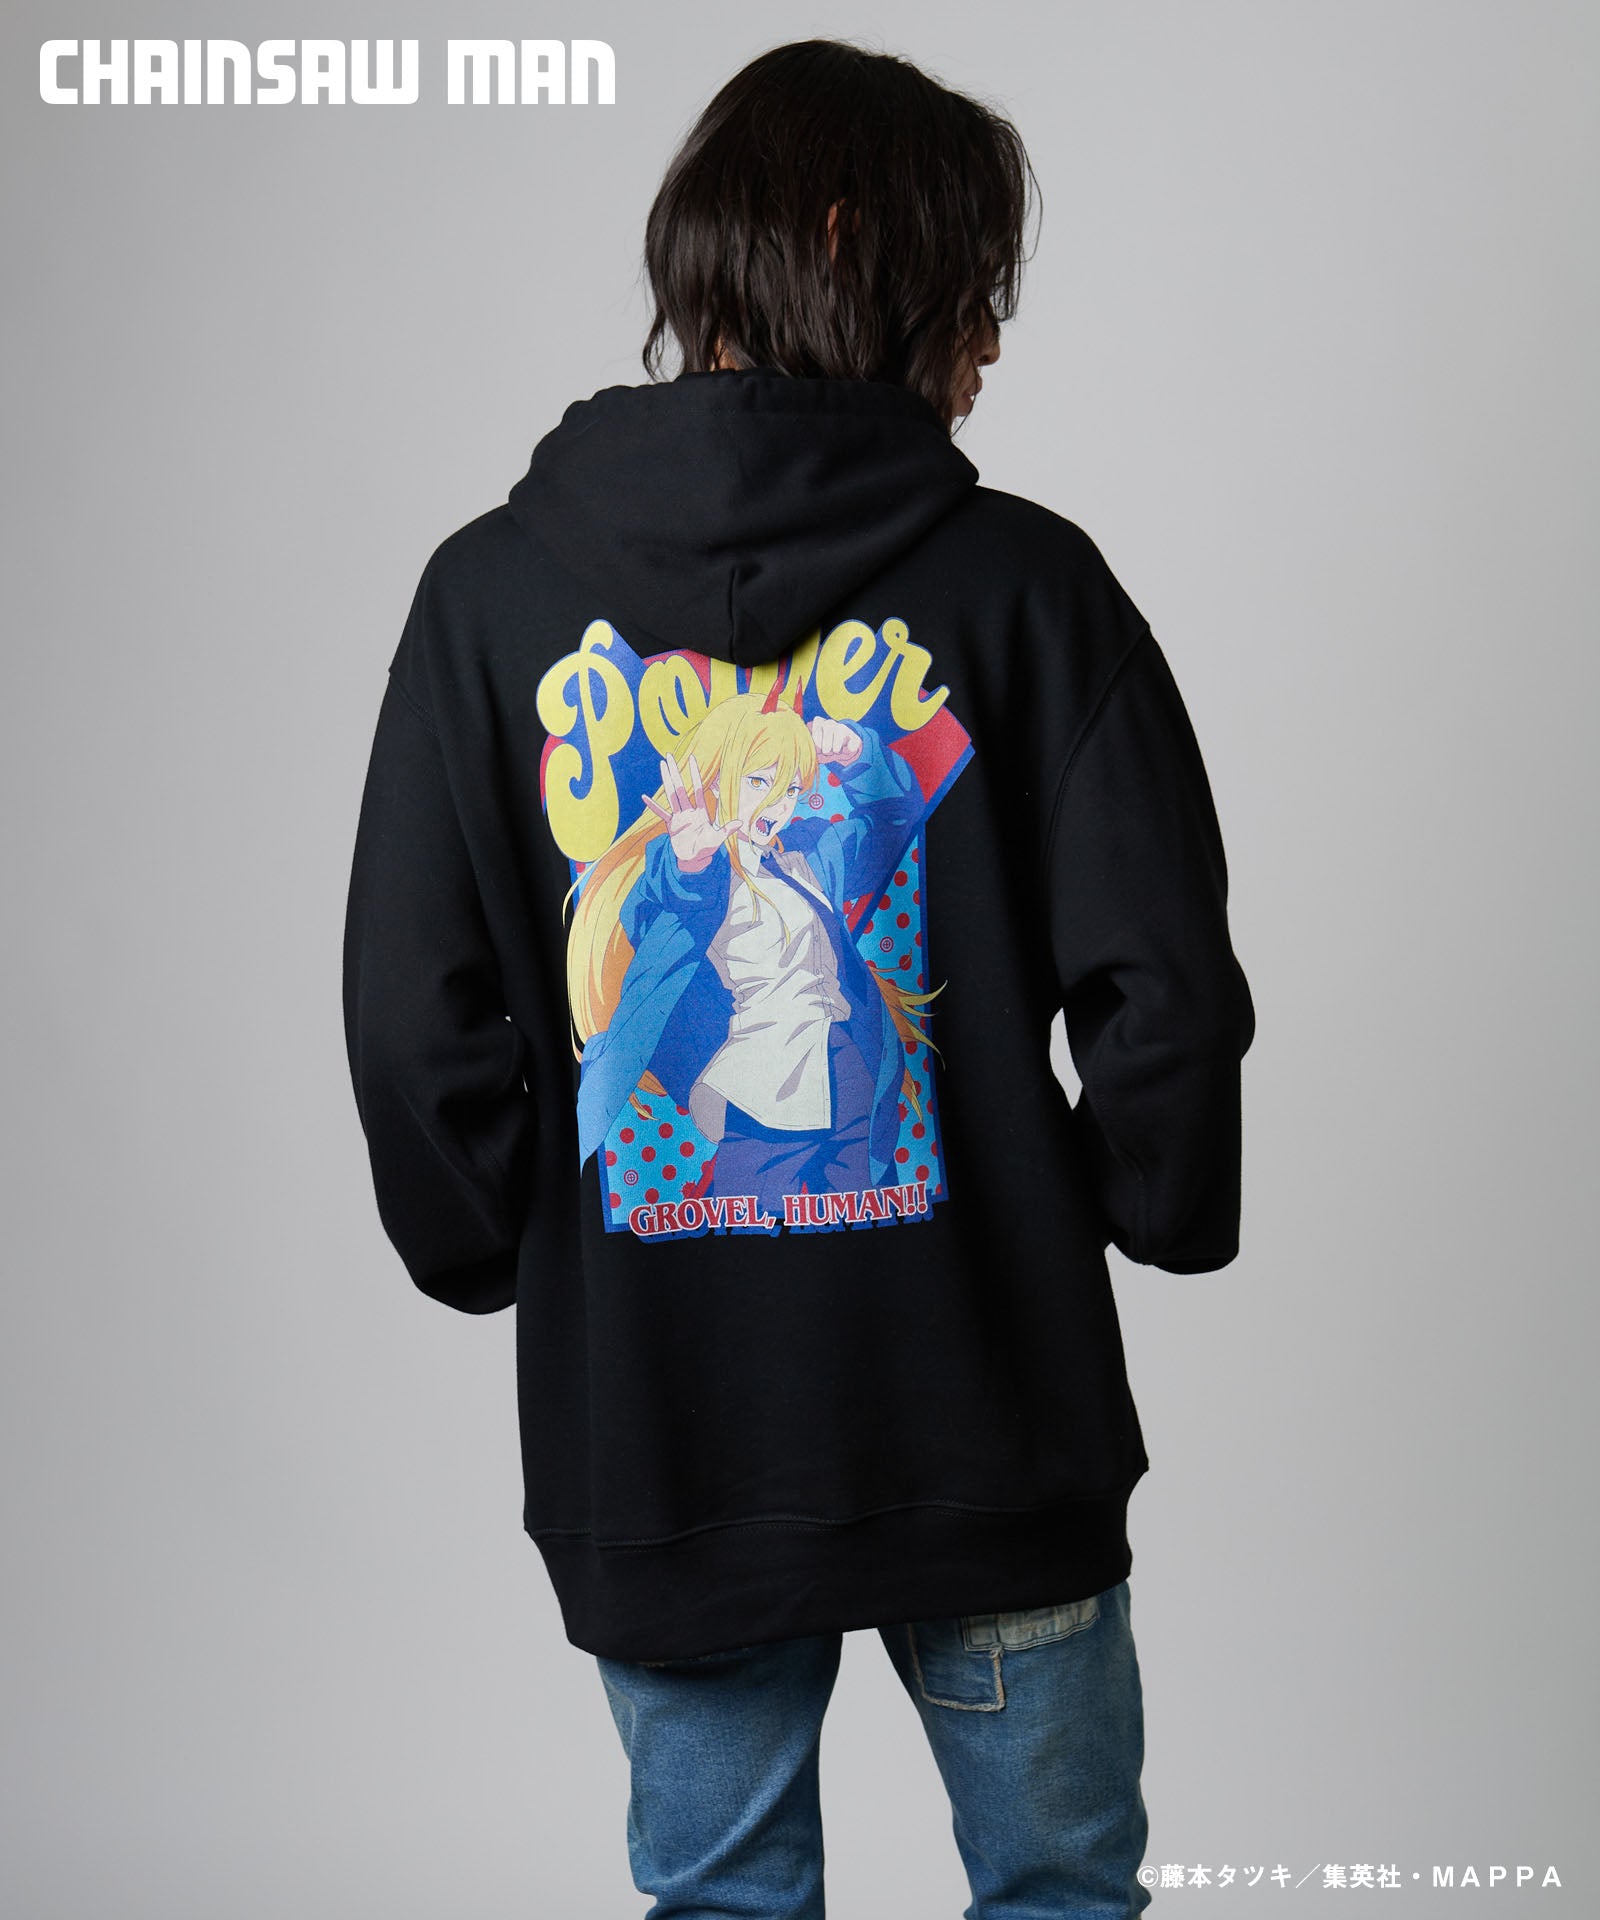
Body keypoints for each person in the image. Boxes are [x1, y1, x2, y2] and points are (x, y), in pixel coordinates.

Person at [342, 35, 1256, 1920]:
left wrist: (501, 1239)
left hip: (660, 1434)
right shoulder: (1032, 591)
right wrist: (1136, 1200)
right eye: (975, 294)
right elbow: (1161, 985)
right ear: (851, 245)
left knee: (723, 1905)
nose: (988, 352)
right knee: (1063, 1896)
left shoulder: (485, 601)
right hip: (993, 1412)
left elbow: (409, 1016)